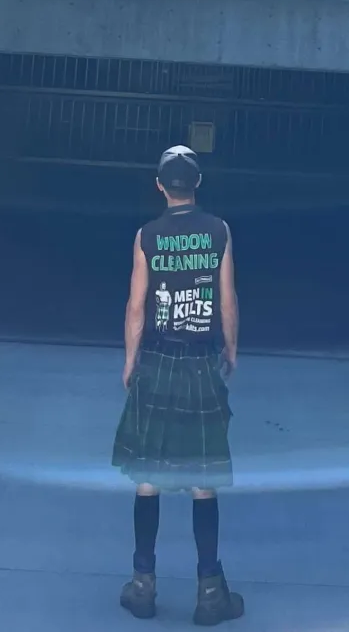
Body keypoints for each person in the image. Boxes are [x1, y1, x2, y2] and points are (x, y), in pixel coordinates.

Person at [113, 144, 243, 625]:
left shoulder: (146, 236)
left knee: (147, 476)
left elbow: (136, 306)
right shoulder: (218, 231)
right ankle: (210, 592)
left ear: (160, 186)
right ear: (198, 184)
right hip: (201, 364)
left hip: (158, 361)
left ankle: (143, 584)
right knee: (202, 480)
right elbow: (227, 299)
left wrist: (130, 361)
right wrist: (229, 348)